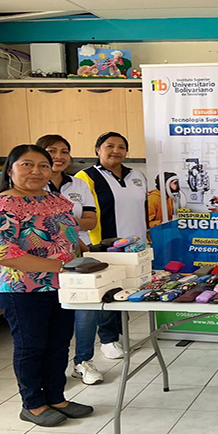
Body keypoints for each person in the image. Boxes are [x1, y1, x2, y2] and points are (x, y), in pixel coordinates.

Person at [0, 144, 93, 427]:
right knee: (31, 346)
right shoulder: (0, 206)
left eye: (43, 165)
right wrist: (61, 266)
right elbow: (3, 252)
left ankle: (56, 397)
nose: (36, 171)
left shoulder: (54, 199)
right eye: (26, 165)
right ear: (10, 169)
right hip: (22, 290)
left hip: (64, 285)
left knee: (59, 343)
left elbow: (68, 235)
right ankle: (32, 404)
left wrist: (86, 256)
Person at [75, 132, 148, 363]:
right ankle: (107, 340)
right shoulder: (84, 177)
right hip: (103, 247)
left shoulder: (137, 175)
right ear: (97, 149)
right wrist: (84, 246)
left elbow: (144, 207)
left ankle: (120, 335)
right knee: (108, 293)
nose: (116, 150)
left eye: (121, 147)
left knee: (128, 290)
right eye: (109, 146)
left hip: (136, 247)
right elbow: (79, 214)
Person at [36, 134, 104, 385]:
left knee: (85, 310)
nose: (59, 157)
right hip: (42, 259)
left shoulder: (78, 185)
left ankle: (82, 362)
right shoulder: (31, 186)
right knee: (52, 313)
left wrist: (60, 224)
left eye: (65, 151)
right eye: (52, 151)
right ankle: (51, 366)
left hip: (79, 256)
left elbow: (91, 221)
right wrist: (69, 226)